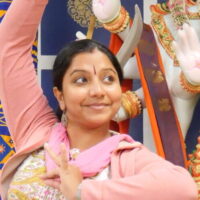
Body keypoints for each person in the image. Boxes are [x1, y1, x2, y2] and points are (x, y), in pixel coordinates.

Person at [0, 0, 198, 199]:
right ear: (60, 95)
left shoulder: (126, 157)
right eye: (81, 80)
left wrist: (82, 191)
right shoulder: (37, 131)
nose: (97, 90)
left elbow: (183, 189)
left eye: (108, 79)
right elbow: (9, 47)